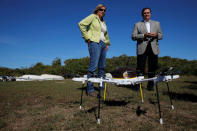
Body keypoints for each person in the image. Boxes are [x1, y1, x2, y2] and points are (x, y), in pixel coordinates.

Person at [78, 4, 111, 96]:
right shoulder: (93, 17)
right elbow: (81, 24)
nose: (103, 11)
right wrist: (87, 38)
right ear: (97, 10)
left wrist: (107, 43)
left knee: (102, 66)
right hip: (94, 43)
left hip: (103, 44)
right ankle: (90, 89)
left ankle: (101, 87)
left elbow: (105, 34)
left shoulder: (103, 22)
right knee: (94, 66)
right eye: (101, 9)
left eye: (105, 10)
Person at [132, 8, 163, 90]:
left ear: (150, 14)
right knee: (140, 67)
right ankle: (138, 85)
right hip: (142, 47)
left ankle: (150, 86)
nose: (146, 14)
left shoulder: (157, 23)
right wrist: (144, 35)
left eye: (148, 13)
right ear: (142, 14)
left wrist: (156, 35)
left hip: (153, 47)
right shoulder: (137, 24)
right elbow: (133, 37)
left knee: (153, 67)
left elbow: (161, 35)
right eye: (145, 13)